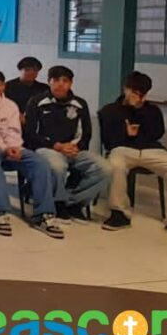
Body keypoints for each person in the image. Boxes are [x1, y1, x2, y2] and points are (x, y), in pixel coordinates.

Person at [98, 72, 167, 243]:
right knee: (116, 165)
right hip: (122, 149)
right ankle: (119, 212)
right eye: (135, 92)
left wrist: (139, 111)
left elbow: (156, 133)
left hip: (152, 150)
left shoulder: (152, 110)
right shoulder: (110, 110)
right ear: (126, 89)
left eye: (142, 94)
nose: (138, 97)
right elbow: (108, 141)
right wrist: (126, 134)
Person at [0, 69, 62, 239]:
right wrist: (4, 148)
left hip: (10, 148)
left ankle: (43, 214)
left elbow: (14, 132)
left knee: (39, 162)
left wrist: (14, 147)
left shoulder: (10, 105)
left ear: (3, 86)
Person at [24, 66, 112, 224]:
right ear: (49, 82)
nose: (60, 84)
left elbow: (86, 133)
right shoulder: (36, 102)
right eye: (56, 80)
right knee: (57, 166)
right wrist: (56, 146)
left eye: (65, 81)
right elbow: (30, 134)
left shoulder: (80, 104)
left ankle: (73, 203)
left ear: (71, 83)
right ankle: (58, 204)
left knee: (105, 168)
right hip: (47, 148)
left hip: (73, 150)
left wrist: (76, 147)